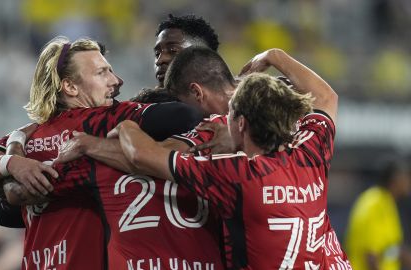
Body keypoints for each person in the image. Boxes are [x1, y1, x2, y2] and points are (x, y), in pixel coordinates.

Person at [0, 35, 216, 269]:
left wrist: (11, 161)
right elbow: (184, 115)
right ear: (70, 87)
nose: (116, 81)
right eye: (102, 73)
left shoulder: (29, 134)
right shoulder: (102, 120)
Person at [104, 48, 351, 269]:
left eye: (229, 115)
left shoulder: (236, 171)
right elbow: (327, 97)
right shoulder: (309, 149)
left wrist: (123, 128)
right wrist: (273, 56)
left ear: (241, 123)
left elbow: (144, 155)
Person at [131, 13, 220, 103]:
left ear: (205, 60)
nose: (160, 61)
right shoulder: (141, 110)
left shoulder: (231, 109)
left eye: (173, 51)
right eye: (157, 54)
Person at [345, 157, 411, 270]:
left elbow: (392, 248)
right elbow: (370, 256)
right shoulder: (374, 204)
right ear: (395, 179)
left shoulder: (388, 203)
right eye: (406, 176)